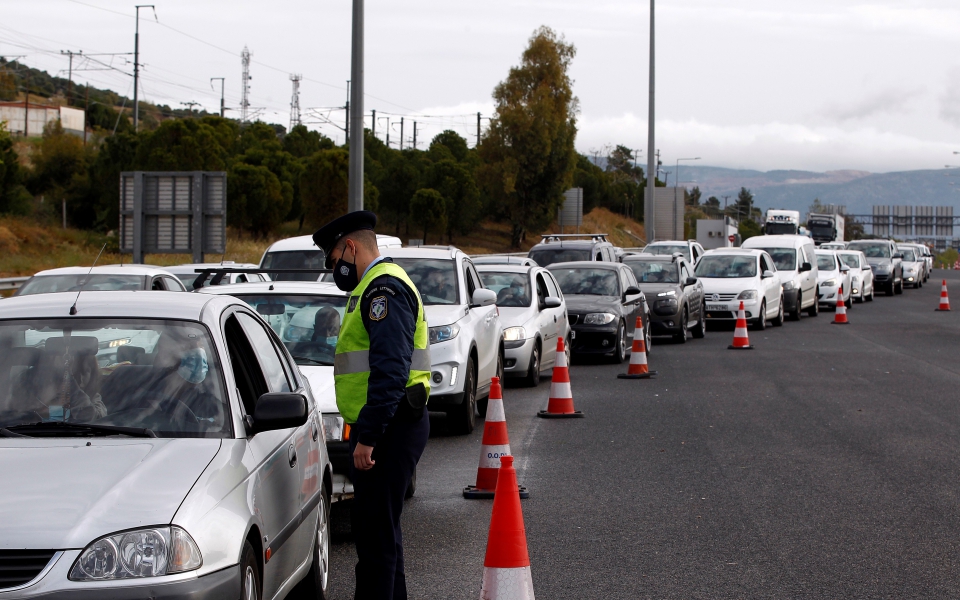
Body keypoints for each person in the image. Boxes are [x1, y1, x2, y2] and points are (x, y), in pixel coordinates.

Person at [314, 211, 431, 600]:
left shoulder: (383, 290)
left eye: (333, 261)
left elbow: (390, 371)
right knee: (383, 535)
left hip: (389, 428)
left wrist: (368, 436)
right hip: (390, 425)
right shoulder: (371, 288)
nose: (335, 269)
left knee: (375, 542)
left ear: (350, 246)